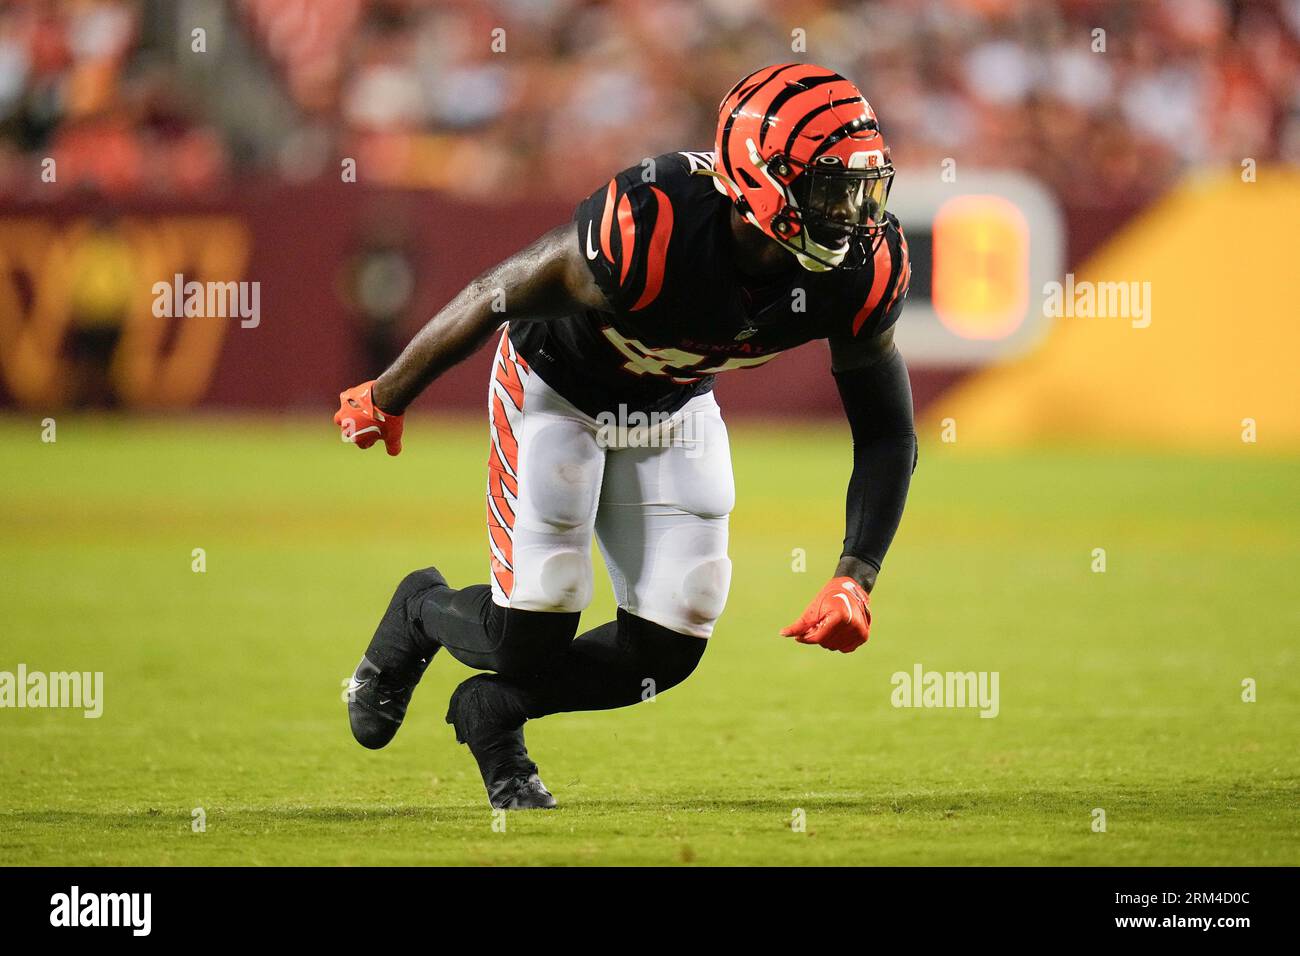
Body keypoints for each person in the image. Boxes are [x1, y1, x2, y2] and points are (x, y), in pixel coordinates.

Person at [334, 63, 917, 809]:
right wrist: (390, 394)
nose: (853, 215)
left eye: (862, 189)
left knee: (674, 633)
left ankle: (496, 711)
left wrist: (854, 576)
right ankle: (420, 607)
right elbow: (495, 294)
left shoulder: (865, 266)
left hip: (672, 404)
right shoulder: (650, 223)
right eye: (831, 190)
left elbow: (886, 433)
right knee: (534, 622)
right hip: (558, 388)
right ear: (760, 179)